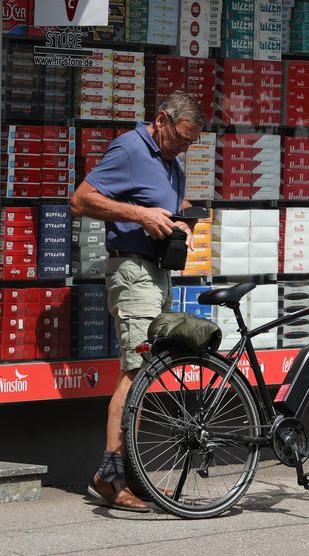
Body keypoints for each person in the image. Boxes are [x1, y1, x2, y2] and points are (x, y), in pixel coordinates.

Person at [70, 90, 203, 511]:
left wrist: (184, 222)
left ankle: (134, 474)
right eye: (181, 137)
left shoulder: (171, 160)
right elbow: (80, 200)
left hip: (156, 273)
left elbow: (169, 204)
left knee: (147, 372)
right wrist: (140, 215)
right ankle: (110, 477)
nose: (184, 147)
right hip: (133, 272)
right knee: (137, 370)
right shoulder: (130, 147)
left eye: (191, 143)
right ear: (161, 119)